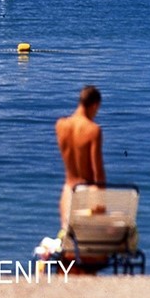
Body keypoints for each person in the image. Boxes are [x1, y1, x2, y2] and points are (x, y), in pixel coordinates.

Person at [55, 85, 105, 227]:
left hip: (68, 192)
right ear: (95, 105)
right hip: (87, 193)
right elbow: (98, 173)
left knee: (70, 240)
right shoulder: (93, 130)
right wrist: (102, 202)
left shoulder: (60, 126)